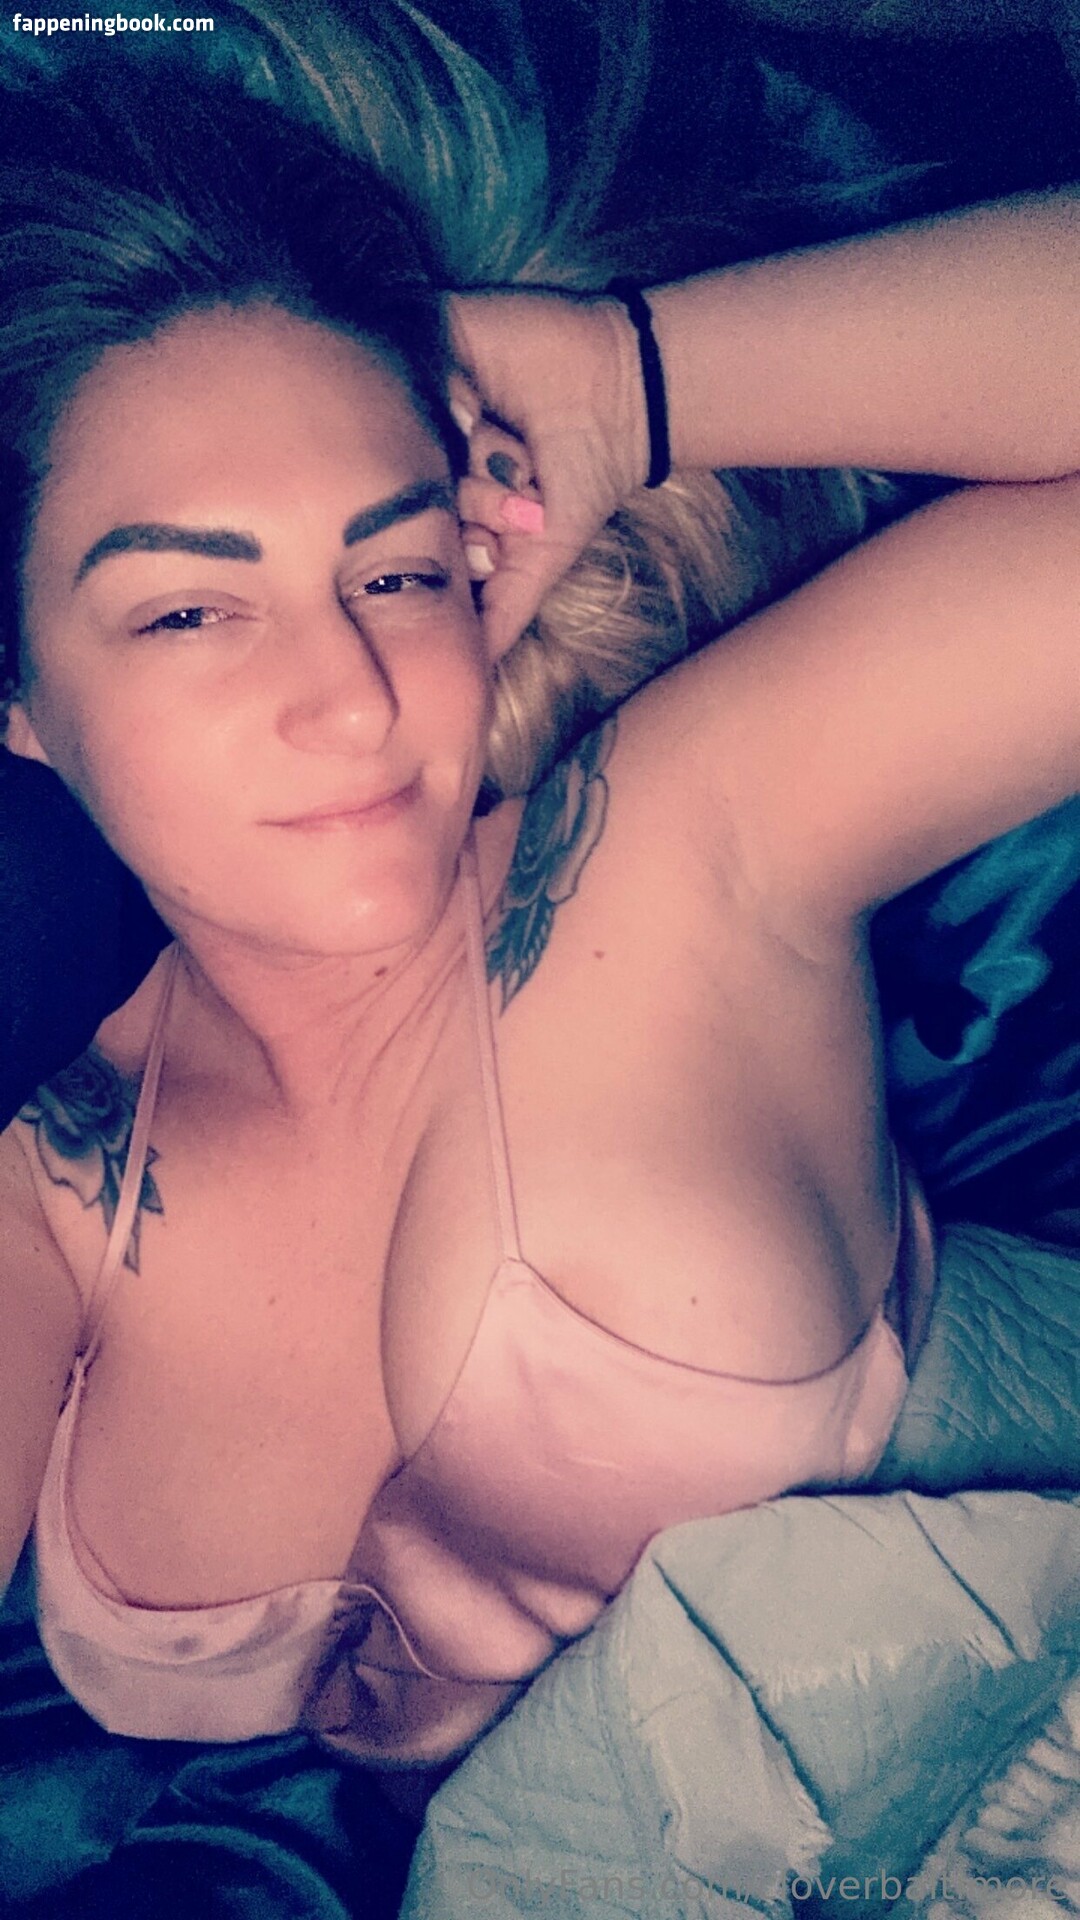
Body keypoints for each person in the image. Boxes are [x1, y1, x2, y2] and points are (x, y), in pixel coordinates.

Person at [0, 40, 1077, 1779]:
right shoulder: (54, 1155)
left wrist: (626, 383)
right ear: (24, 706)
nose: (351, 696)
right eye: (190, 611)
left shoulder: (666, 840)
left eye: (396, 571)